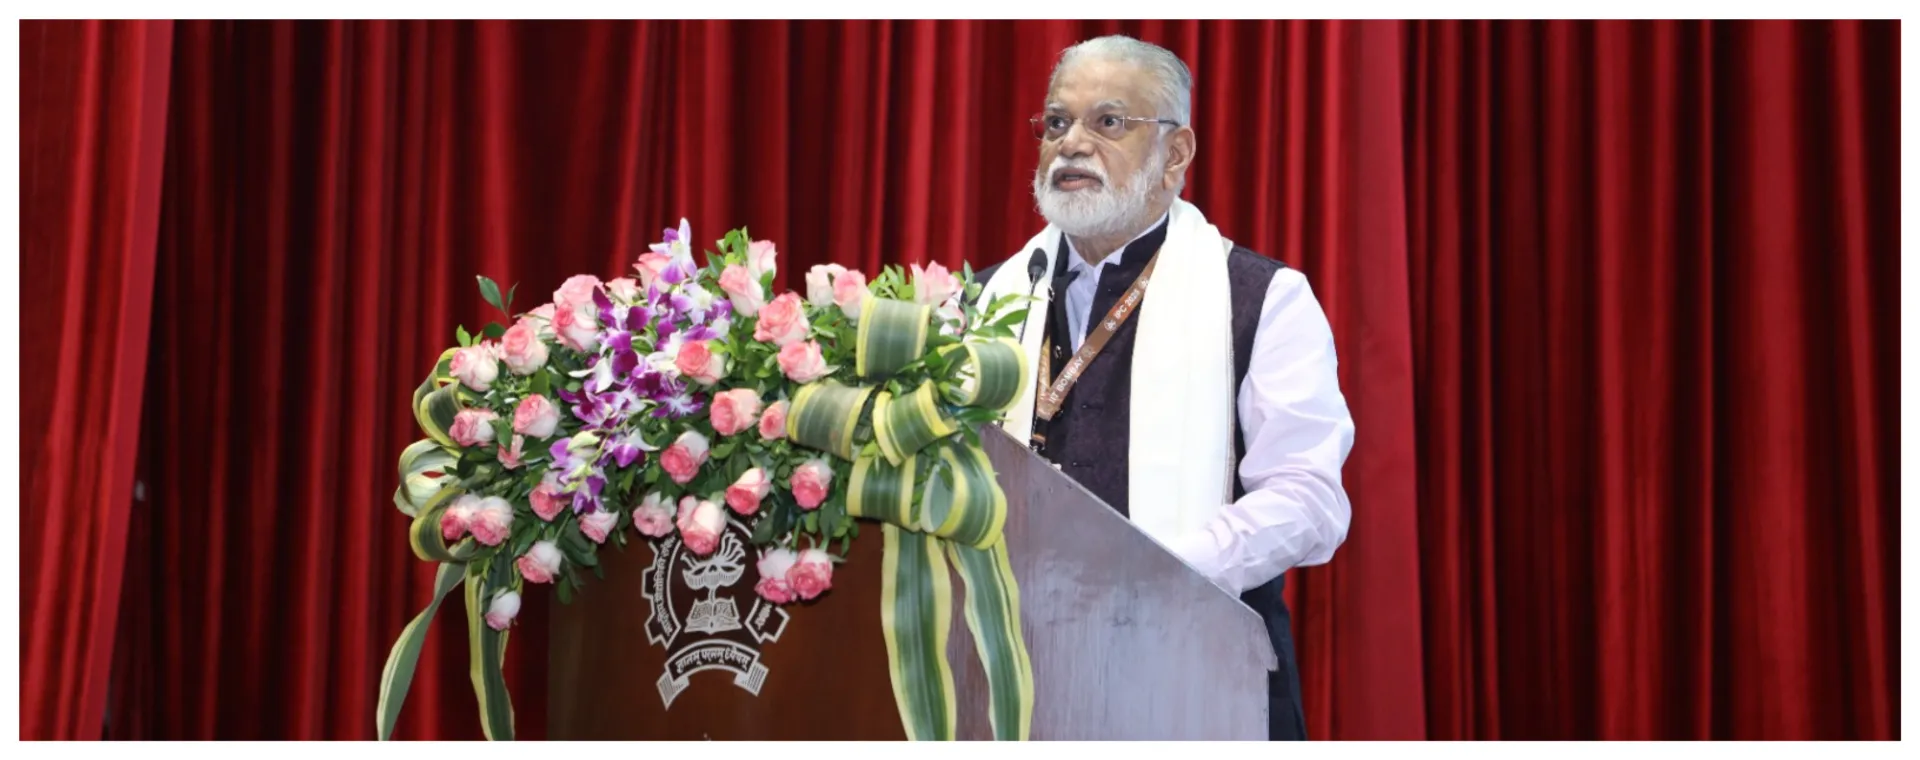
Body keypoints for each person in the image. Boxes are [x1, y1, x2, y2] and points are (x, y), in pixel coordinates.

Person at [973, 35, 1354, 741]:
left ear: (1175, 155)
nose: (1071, 145)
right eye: (1056, 123)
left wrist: (1157, 572)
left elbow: (1308, 500)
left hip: (1192, 675)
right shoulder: (985, 299)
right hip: (1012, 677)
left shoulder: (1262, 297)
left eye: (1107, 122)